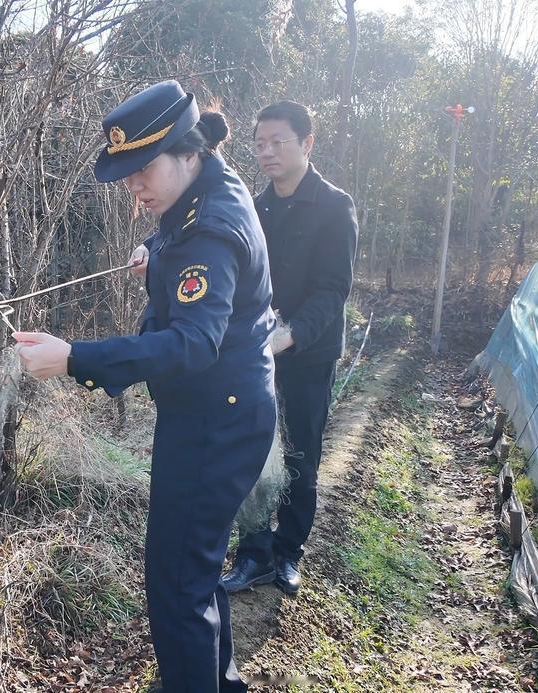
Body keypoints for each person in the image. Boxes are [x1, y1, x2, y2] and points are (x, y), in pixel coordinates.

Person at [12, 80, 276, 692]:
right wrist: (155, 253)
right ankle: (216, 681)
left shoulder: (208, 228)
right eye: (125, 173)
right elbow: (183, 239)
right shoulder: (207, 191)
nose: (134, 185)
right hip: (220, 412)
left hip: (215, 422)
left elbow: (192, 342)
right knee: (197, 564)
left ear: (187, 151)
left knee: (178, 578)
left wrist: (76, 357)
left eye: (142, 168)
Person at [220, 101, 358, 597]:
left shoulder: (334, 207)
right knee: (254, 452)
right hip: (256, 354)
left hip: (307, 353)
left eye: (278, 141)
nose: (266, 152)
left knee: (301, 452)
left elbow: (332, 288)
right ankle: (254, 550)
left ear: (307, 143)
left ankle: (288, 551)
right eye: (259, 143)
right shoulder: (256, 208)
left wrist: (292, 334)